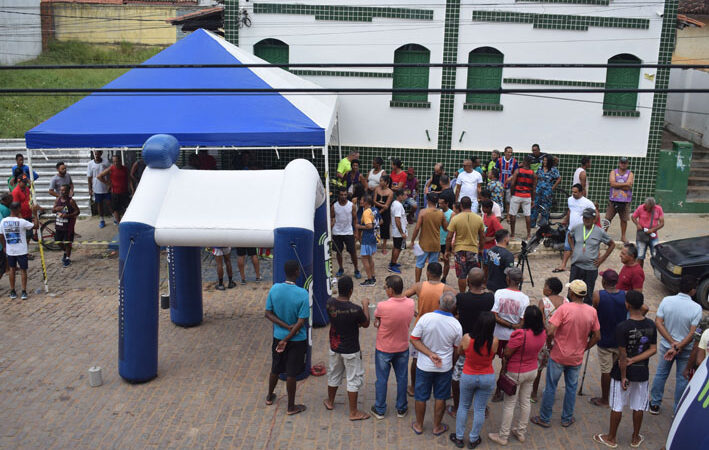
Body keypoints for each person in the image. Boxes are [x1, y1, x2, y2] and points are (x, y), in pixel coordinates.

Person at [532, 280, 601, 429]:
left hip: (558, 355)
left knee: (551, 386)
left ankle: (545, 418)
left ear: (572, 293)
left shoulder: (564, 309)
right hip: (576, 357)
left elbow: (550, 331)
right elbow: (597, 336)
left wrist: (550, 344)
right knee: (571, 388)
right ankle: (566, 418)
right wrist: (584, 348)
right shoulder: (592, 311)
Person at [594, 290, 657, 449]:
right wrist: (636, 359)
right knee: (639, 405)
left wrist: (623, 376)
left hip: (623, 372)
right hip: (642, 371)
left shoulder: (623, 327)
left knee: (617, 405)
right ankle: (635, 437)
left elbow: (623, 355)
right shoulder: (650, 324)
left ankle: (611, 437)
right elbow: (653, 349)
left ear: (627, 304)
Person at [488, 305, 547, 445]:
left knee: (510, 404)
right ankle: (521, 432)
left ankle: (503, 436)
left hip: (516, 371)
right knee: (525, 402)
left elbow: (507, 353)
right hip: (532, 370)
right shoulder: (542, 333)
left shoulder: (520, 334)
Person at [649, 275, 702, 415]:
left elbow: (658, 322)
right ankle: (677, 409)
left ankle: (655, 404)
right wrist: (678, 346)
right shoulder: (696, 308)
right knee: (682, 378)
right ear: (692, 290)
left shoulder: (667, 301)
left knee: (661, 374)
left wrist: (672, 343)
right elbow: (693, 334)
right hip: (685, 349)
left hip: (667, 346)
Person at [411, 291, 462, 436]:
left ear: (439, 302)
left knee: (421, 396)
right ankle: (436, 426)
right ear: (453, 307)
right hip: (444, 367)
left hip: (424, 365)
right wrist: (451, 364)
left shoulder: (426, 318)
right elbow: (456, 349)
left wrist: (429, 354)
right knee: (441, 396)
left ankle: (419, 425)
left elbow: (414, 339)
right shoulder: (456, 325)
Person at [264, 260, 310, 416]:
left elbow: (268, 313)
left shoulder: (274, 289)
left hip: (278, 337)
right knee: (292, 373)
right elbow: (301, 321)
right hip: (296, 341)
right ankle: (291, 406)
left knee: (275, 368)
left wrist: (283, 330)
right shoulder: (303, 294)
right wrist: (289, 336)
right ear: (297, 272)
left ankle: (270, 396)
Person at [403, 262, 455, 395]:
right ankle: (442, 386)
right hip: (440, 327)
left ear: (428, 273)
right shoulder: (447, 288)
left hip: (422, 326)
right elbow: (457, 300)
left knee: (416, 358)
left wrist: (413, 311)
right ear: (441, 274)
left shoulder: (419, 286)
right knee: (441, 354)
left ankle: (414, 387)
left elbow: (403, 297)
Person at [449, 268, 494, 418]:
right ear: (483, 283)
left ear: (468, 281)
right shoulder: (489, 298)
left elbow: (453, 311)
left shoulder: (461, 298)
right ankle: (482, 406)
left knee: (457, 375)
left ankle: (456, 407)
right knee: (483, 372)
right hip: (485, 342)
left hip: (466, 341)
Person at [324, 276, 370, 421]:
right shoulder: (355, 309)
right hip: (351, 349)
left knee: (334, 374)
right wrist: (365, 305)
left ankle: (330, 401)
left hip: (335, 346)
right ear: (351, 291)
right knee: (353, 379)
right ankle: (353, 411)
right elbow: (366, 323)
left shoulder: (330, 303)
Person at [450, 311, 498, 448]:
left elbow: (460, 352)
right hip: (487, 376)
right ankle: (473, 438)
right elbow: (492, 356)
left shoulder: (467, 338)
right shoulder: (494, 341)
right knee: (479, 409)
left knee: (463, 406)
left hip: (468, 375)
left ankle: (459, 437)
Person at [372, 275, 416, 419]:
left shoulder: (382, 306)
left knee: (382, 379)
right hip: (402, 347)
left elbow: (377, 320)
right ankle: (401, 408)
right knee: (402, 378)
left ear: (390, 290)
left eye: (385, 287)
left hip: (384, 348)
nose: (385, 290)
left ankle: (380, 408)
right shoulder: (410, 304)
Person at [491, 267, 530, 402]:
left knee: (488, 359)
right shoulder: (524, 298)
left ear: (508, 279)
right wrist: (513, 326)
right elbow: (521, 322)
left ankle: (489, 387)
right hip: (512, 336)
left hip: (496, 334)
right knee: (506, 364)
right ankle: (498, 390)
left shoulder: (499, 293)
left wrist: (507, 324)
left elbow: (494, 315)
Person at [590, 269, 627, 407]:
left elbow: (593, 314)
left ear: (604, 281)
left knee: (606, 370)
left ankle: (605, 399)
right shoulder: (625, 295)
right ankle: (615, 394)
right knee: (615, 368)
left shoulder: (598, 295)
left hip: (604, 338)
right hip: (620, 339)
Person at [568, 207, 615, 305]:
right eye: (584, 218)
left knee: (588, 294)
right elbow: (569, 235)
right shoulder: (577, 228)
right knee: (571, 291)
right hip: (576, 266)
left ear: (594, 219)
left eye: (588, 218)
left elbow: (612, 244)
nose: (585, 220)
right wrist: (573, 249)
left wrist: (602, 259)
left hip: (590, 268)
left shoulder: (600, 232)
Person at [531, 277, 568, 402]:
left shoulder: (543, 301)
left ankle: (534, 394)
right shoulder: (566, 301)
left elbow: (540, 320)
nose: (543, 288)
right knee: (555, 369)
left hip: (545, 339)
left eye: (545, 286)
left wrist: (547, 329)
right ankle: (550, 392)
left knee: (538, 367)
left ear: (549, 290)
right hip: (561, 340)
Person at [446, 196, 485, 293]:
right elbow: (482, 236)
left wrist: (447, 250)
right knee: (474, 274)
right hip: (473, 249)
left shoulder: (456, 218)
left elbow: (449, 237)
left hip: (459, 250)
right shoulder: (478, 218)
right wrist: (481, 249)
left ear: (461, 206)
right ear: (471, 205)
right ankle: (473, 292)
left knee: (462, 275)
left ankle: (462, 293)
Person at [554, 184, 595, 273]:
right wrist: (565, 221)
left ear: (581, 192)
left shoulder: (587, 202)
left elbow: (595, 214)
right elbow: (570, 211)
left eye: (576, 192)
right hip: (571, 228)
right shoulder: (570, 200)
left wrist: (591, 226)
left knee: (581, 248)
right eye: (572, 192)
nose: (573, 194)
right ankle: (563, 265)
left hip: (582, 230)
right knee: (567, 247)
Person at [0, 202, 37, 300]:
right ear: (18, 209)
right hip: (21, 250)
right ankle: (24, 291)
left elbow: (1, 235)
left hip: (10, 250)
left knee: (12, 269)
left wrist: (4, 246)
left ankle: (13, 290)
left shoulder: (3, 221)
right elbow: (36, 226)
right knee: (23, 270)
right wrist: (35, 214)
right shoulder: (22, 222)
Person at [410, 192, 447, 282]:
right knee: (433, 266)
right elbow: (446, 228)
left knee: (419, 264)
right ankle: (431, 284)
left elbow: (417, 228)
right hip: (436, 243)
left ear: (428, 200)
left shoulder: (423, 212)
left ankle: (417, 283)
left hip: (424, 243)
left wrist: (412, 240)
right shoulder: (441, 214)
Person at [331, 189, 360, 279]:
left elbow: (355, 219)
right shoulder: (334, 206)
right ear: (339, 195)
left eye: (345, 194)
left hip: (348, 231)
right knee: (339, 252)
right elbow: (331, 217)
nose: (343, 196)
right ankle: (341, 268)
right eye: (341, 194)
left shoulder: (351, 205)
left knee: (353, 252)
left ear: (347, 195)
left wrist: (356, 232)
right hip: (337, 232)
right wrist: (331, 229)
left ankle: (356, 269)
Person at [605, 157, 634, 244]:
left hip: (625, 201)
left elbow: (629, 185)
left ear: (627, 164)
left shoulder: (630, 174)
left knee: (624, 220)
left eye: (625, 163)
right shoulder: (613, 172)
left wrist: (617, 185)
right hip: (613, 200)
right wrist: (624, 185)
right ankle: (603, 234)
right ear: (619, 163)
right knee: (608, 218)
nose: (623, 164)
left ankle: (623, 236)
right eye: (622, 163)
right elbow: (612, 183)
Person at [507, 156, 536, 241]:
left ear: (523, 162)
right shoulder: (533, 173)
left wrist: (512, 194)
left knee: (513, 215)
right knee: (527, 215)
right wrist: (533, 200)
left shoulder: (517, 171)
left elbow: (512, 184)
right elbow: (534, 189)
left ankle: (512, 234)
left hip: (516, 195)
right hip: (527, 196)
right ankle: (528, 235)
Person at [97, 155, 130, 225]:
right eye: (114, 161)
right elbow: (99, 176)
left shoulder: (125, 169)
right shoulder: (111, 168)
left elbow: (129, 179)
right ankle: (119, 223)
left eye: (117, 161)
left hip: (124, 191)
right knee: (115, 209)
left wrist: (132, 189)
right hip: (115, 192)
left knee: (127, 208)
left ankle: (126, 222)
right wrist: (108, 183)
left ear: (120, 161)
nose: (116, 163)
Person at [631, 197, 664, 267]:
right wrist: (637, 224)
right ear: (645, 205)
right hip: (642, 235)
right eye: (648, 207)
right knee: (640, 255)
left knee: (656, 255)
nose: (649, 210)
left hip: (653, 236)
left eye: (651, 208)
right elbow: (633, 217)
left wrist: (653, 230)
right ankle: (639, 274)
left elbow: (662, 223)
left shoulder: (658, 209)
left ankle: (657, 271)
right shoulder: (640, 208)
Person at [530, 155, 561, 228]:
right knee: (535, 207)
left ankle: (543, 225)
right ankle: (532, 224)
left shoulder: (553, 170)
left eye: (546, 161)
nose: (544, 162)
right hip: (538, 191)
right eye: (543, 160)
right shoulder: (540, 168)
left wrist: (552, 188)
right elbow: (536, 177)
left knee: (545, 208)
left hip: (547, 192)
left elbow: (559, 178)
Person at [52, 185, 79, 267]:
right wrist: (57, 209)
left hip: (68, 226)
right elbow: (53, 210)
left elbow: (77, 211)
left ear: (68, 191)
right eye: (61, 190)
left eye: (64, 190)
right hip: (59, 224)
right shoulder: (58, 200)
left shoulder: (71, 201)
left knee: (67, 242)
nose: (62, 192)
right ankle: (65, 251)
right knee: (57, 240)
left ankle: (67, 258)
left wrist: (68, 216)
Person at [356, 195, 378, 287]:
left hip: (367, 237)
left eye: (361, 200)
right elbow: (380, 221)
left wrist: (359, 226)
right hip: (374, 236)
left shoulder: (366, 212)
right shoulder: (374, 210)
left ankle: (369, 279)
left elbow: (369, 226)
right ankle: (373, 277)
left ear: (366, 202)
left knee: (364, 258)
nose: (360, 201)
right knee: (370, 258)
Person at [87, 151, 111, 228]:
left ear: (101, 154)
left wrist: (110, 184)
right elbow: (89, 177)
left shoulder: (106, 161)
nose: (96, 155)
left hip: (106, 186)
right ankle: (101, 220)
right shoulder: (90, 163)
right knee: (99, 204)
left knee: (109, 203)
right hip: (96, 187)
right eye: (95, 154)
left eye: (98, 153)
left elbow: (110, 173)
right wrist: (90, 189)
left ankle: (115, 218)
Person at [480, 200, 503, 280]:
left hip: (489, 247)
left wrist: (492, 238)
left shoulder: (493, 219)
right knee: (483, 265)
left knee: (487, 266)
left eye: (484, 208)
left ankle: (486, 281)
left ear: (489, 208)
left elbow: (501, 232)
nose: (482, 209)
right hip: (483, 245)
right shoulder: (485, 216)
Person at [388, 190, 407, 274]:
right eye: (405, 195)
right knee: (398, 248)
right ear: (400, 196)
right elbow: (397, 219)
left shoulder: (395, 203)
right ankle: (392, 265)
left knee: (396, 247)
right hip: (398, 231)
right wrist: (402, 232)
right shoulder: (398, 206)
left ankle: (393, 262)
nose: (406, 197)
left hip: (397, 230)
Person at [373, 175, 393, 255]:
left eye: (381, 181)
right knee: (375, 229)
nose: (380, 182)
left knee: (385, 229)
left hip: (385, 212)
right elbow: (374, 201)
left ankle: (384, 247)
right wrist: (381, 207)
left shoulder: (390, 192)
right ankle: (374, 246)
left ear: (386, 182)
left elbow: (387, 206)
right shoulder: (377, 189)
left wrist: (380, 211)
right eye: (380, 180)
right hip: (376, 209)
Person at [438, 193, 454, 284]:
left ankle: (444, 277)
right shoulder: (437, 212)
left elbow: (450, 228)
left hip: (445, 241)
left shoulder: (452, 214)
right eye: (439, 203)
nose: (440, 205)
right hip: (436, 240)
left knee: (446, 260)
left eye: (441, 203)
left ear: (447, 203)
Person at [496, 147, 518, 212]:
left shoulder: (514, 161)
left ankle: (508, 215)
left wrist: (511, 178)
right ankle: (499, 214)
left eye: (511, 152)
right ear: (505, 152)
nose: (510, 154)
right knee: (500, 200)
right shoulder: (499, 160)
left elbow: (516, 172)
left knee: (508, 201)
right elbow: (495, 171)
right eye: (508, 152)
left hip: (509, 185)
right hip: (500, 184)